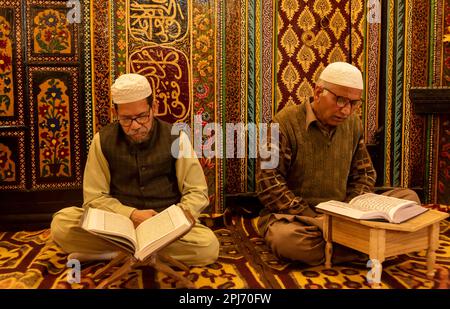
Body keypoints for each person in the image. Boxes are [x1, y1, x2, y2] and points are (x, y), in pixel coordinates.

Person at [256, 62, 420, 265]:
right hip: (300, 218)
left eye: (354, 103)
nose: (346, 110)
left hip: (344, 212)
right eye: (340, 100)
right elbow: (268, 183)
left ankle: (345, 245)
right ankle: (370, 248)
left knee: (409, 199)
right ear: (318, 92)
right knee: (287, 241)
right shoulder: (282, 123)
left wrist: (350, 212)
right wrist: (312, 216)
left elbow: (365, 174)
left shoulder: (353, 124)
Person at [51, 73, 219, 266]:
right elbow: (94, 198)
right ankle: (145, 255)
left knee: (208, 246)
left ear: (153, 108)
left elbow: (197, 192)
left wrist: (170, 219)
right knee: (61, 224)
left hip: (164, 227)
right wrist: (131, 215)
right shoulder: (102, 141)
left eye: (141, 116)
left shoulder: (177, 138)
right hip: (118, 226)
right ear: (116, 114)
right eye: (126, 119)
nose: (136, 125)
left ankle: (113, 256)